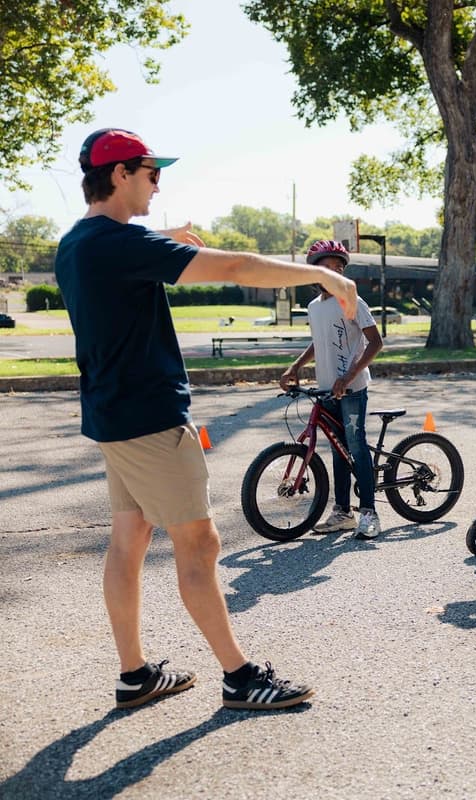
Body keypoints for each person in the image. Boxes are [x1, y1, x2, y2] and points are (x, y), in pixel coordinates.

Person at [55, 128, 359, 710]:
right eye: (150, 172)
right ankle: (240, 678)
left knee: (130, 538)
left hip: (112, 416)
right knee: (199, 544)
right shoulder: (124, 247)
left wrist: (156, 234)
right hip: (150, 417)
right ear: (120, 175)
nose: (158, 182)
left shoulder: (77, 243)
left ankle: (135, 674)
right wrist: (323, 274)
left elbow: (120, 246)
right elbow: (240, 267)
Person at [279, 240, 384, 539]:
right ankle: (342, 512)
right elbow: (318, 342)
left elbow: (375, 342)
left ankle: (369, 513)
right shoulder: (315, 307)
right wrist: (295, 367)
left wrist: (349, 376)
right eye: (328, 268)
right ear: (314, 274)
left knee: (356, 446)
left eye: (340, 268)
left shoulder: (352, 301)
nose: (336, 273)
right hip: (327, 388)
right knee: (338, 450)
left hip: (352, 389)